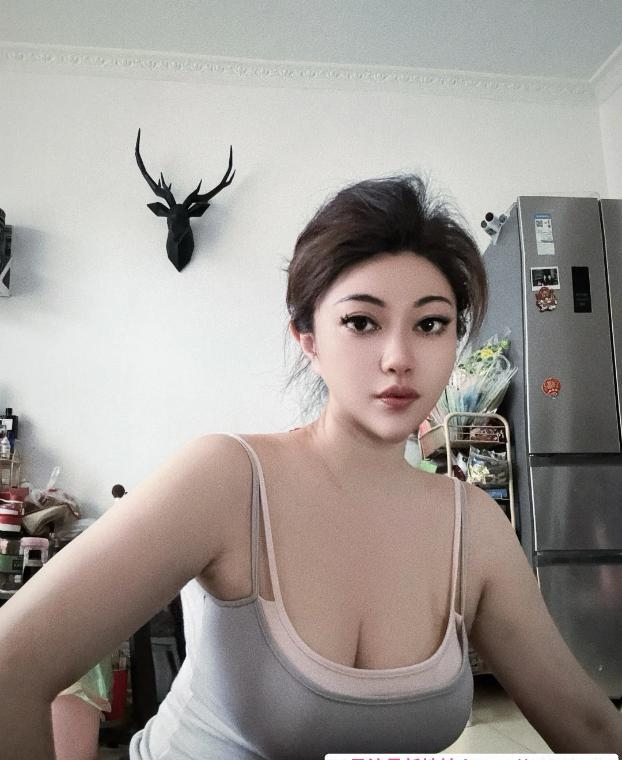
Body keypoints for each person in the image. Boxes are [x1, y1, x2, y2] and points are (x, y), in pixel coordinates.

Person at [0, 175, 621, 759]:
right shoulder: (227, 478)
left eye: (431, 324)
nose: (399, 357)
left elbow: (587, 723)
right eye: (361, 322)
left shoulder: (474, 526)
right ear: (309, 340)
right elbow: (11, 667)